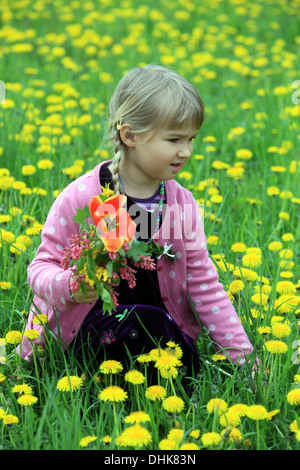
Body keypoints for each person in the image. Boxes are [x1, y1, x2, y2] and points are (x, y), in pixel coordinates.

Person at [19, 64, 255, 378]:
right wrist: (70, 286)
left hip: (161, 334)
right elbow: (39, 269)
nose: (185, 151)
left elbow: (205, 286)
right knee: (142, 322)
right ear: (130, 135)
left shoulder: (181, 206)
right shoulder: (82, 198)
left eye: (191, 139)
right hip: (86, 337)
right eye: (173, 140)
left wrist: (244, 361)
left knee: (156, 330)